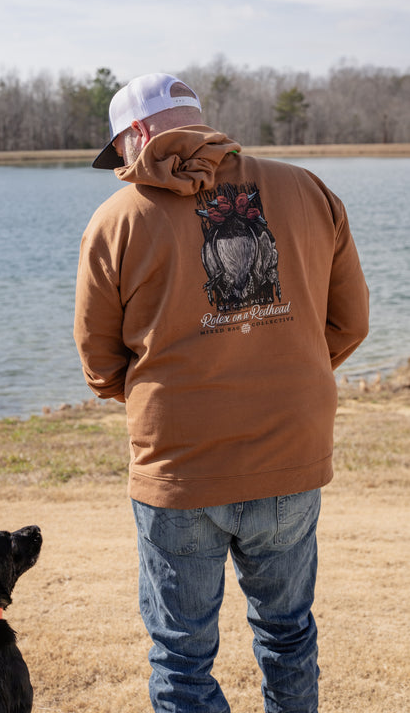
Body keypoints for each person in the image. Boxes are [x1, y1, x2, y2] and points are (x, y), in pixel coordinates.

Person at [73, 73, 369, 713]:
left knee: (181, 655)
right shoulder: (307, 190)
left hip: (179, 468)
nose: (121, 164)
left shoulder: (117, 219)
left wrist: (172, 396)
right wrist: (285, 366)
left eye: (119, 148)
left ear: (139, 133)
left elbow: (99, 364)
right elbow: (350, 323)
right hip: (288, 456)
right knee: (289, 634)